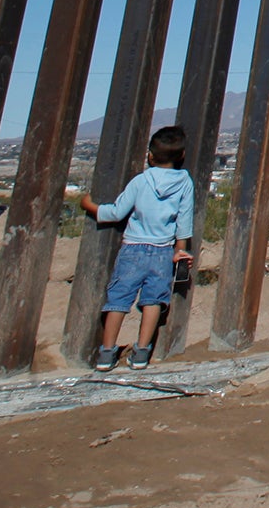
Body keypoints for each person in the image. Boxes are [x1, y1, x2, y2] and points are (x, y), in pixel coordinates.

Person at [80, 125, 195, 371]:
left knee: (118, 300)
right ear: (182, 155)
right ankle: (141, 353)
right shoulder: (185, 182)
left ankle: (106, 353)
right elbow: (184, 219)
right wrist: (181, 249)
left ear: (150, 156)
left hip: (133, 249)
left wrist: (90, 206)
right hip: (164, 251)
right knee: (154, 301)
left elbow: (117, 212)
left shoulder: (140, 181)